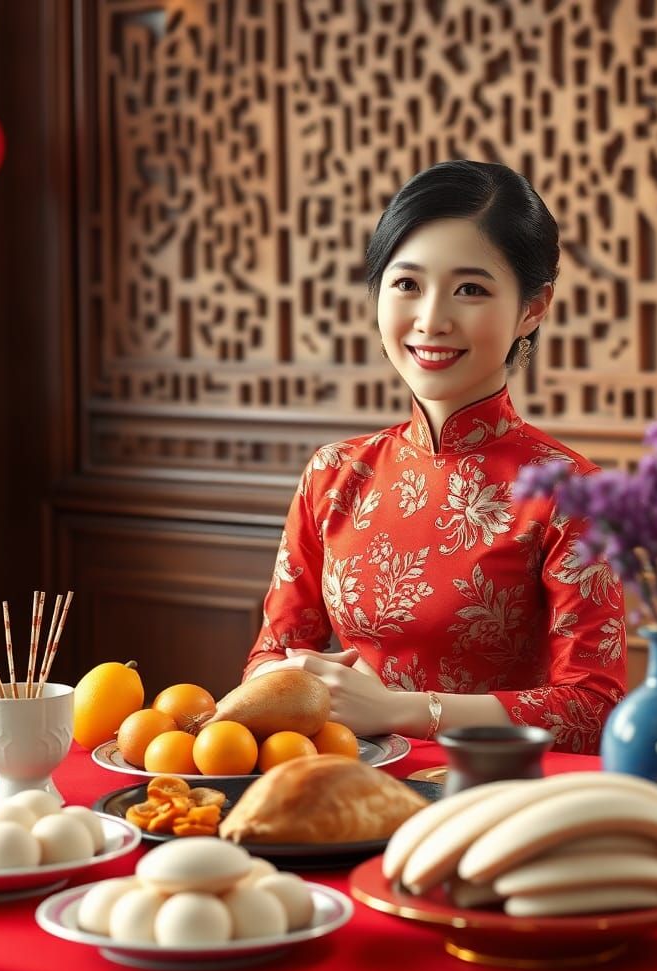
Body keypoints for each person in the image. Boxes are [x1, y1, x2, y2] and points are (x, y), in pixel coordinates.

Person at [243, 160, 627, 754]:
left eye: (470, 289)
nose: (431, 320)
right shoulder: (335, 473)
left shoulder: (572, 494)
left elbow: (593, 709)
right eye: (407, 285)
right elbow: (272, 653)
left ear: (532, 308)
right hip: (349, 777)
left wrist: (402, 710)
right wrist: (287, 676)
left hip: (495, 790)